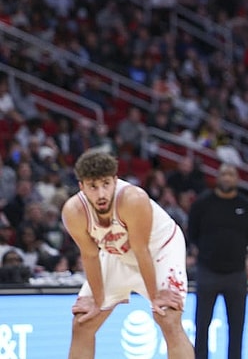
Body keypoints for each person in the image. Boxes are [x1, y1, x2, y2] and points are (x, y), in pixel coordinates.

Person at [60, 148, 193, 359]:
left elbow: (141, 250)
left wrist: (156, 297)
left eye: (106, 184)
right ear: (81, 186)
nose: (101, 193)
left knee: (167, 318)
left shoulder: (133, 199)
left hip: (158, 251)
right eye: (93, 187)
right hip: (116, 254)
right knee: (82, 322)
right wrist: (98, 299)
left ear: (115, 180)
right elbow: (90, 256)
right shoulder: (73, 212)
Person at [188, 163, 248, 359]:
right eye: (224, 174)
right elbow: (192, 233)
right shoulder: (202, 204)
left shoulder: (247, 206)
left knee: (237, 326)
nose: (227, 178)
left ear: (237, 179)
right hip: (207, 271)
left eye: (231, 174)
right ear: (217, 177)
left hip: (236, 273)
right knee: (202, 324)